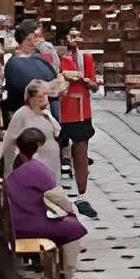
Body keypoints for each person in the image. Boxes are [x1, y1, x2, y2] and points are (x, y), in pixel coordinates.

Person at [5, 128, 86, 274]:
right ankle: (67, 275)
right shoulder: (39, 170)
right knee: (75, 228)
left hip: (14, 224)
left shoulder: (15, 173)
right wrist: (70, 212)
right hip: (31, 225)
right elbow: (59, 198)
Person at [54, 21, 98, 206]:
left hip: (81, 109)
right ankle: (55, 189)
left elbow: (94, 86)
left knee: (80, 151)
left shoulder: (85, 58)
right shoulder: (59, 57)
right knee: (54, 149)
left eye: (78, 36)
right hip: (62, 107)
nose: (75, 40)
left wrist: (87, 80)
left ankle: (82, 193)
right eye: (72, 36)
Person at [0, 80, 61, 176]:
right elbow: (9, 139)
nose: (44, 99)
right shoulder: (22, 114)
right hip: (28, 164)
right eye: (40, 96)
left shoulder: (45, 113)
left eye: (45, 95)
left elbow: (56, 131)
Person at [2, 20, 62, 119]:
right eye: (37, 36)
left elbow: (54, 76)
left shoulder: (39, 58)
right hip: (29, 121)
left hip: (47, 118)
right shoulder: (15, 64)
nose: (41, 40)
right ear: (28, 38)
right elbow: (37, 87)